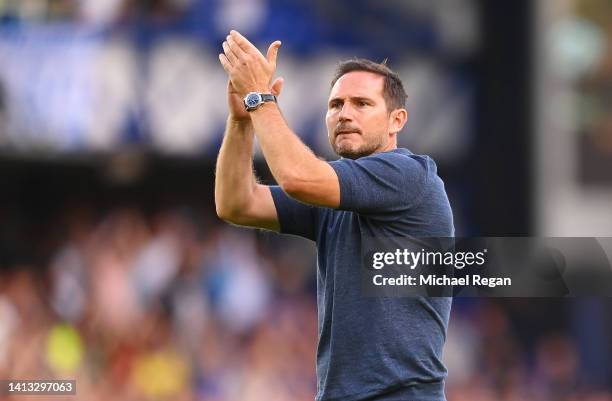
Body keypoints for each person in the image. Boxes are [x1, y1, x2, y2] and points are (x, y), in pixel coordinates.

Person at [215, 30, 454, 401]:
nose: (344, 114)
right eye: (335, 104)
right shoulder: (336, 196)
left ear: (397, 121)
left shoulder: (409, 176)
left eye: (362, 103)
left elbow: (296, 176)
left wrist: (260, 99)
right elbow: (236, 203)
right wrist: (241, 121)